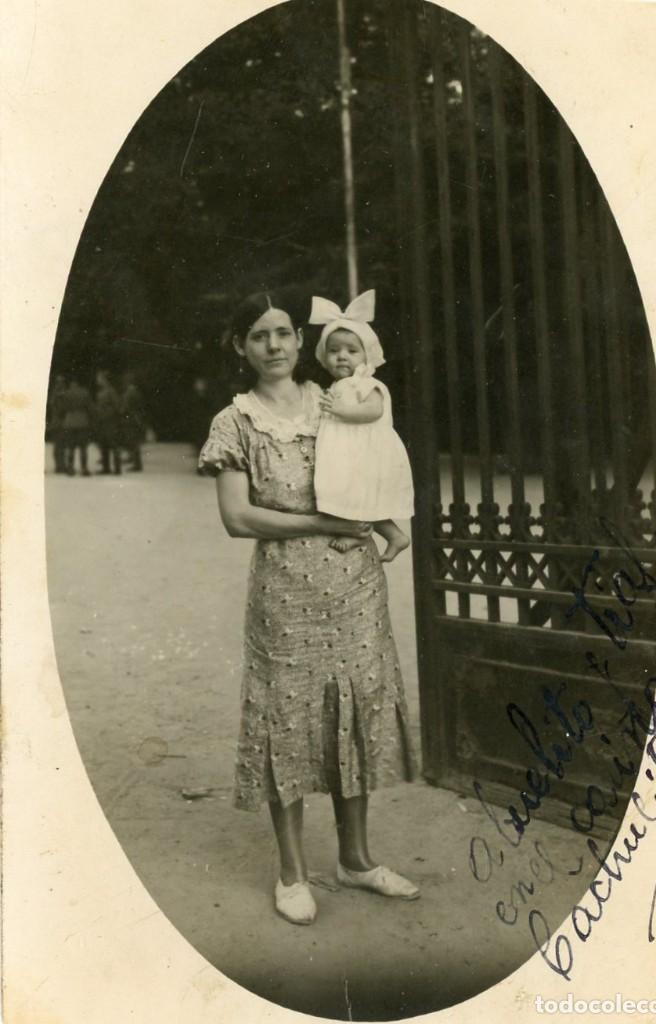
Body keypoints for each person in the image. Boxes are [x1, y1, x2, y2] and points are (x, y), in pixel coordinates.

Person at [199, 290, 419, 926]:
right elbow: (238, 518)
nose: (274, 346)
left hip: (355, 584)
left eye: (283, 333)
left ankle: (356, 857)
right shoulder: (233, 421)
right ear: (241, 347)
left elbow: (370, 468)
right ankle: (292, 873)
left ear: (301, 341)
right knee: (287, 719)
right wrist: (323, 521)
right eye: (259, 335)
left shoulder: (336, 403)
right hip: (286, 590)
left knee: (355, 705)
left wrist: (385, 521)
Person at [309, 290, 414, 562]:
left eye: (351, 350)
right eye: (333, 351)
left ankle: (357, 531)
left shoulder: (366, 383)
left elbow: (373, 410)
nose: (341, 356)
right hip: (344, 451)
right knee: (347, 494)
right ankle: (394, 536)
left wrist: (342, 410)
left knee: (356, 494)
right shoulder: (337, 385)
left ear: (367, 357)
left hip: (362, 452)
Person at [62, 377, 93, 476]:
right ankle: (84, 468)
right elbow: (90, 407)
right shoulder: (85, 393)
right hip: (82, 421)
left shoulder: (66, 393)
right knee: (83, 447)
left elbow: (62, 407)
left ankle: (70, 468)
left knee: (70, 447)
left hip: (70, 421)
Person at [94, 370, 122, 475]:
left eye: (99, 378)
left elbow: (117, 405)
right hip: (102, 421)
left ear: (104, 379)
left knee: (113, 443)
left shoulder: (111, 391)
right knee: (103, 444)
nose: (98, 380)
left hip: (110, 421)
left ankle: (117, 468)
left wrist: (109, 414)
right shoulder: (101, 391)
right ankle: (106, 468)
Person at [120, 371, 146, 472]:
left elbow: (125, 407)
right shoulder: (135, 391)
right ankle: (135, 462)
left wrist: (121, 411)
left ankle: (137, 464)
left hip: (131, 419)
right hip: (135, 418)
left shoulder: (129, 393)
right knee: (133, 441)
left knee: (133, 441)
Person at [47, 374, 68, 473]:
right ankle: (60, 465)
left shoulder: (55, 394)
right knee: (60, 445)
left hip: (57, 422)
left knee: (59, 445)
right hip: (61, 422)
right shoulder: (61, 394)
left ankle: (60, 465)